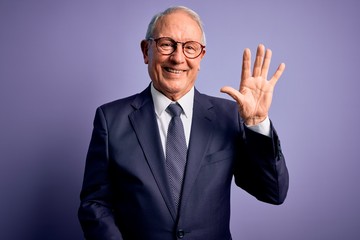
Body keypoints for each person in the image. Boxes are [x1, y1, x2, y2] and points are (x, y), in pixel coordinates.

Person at [78, 6, 289, 240]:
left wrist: (257, 123)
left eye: (190, 48)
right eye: (167, 44)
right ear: (146, 50)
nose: (178, 58)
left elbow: (273, 192)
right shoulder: (110, 120)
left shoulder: (230, 116)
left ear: (201, 57)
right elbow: (95, 204)